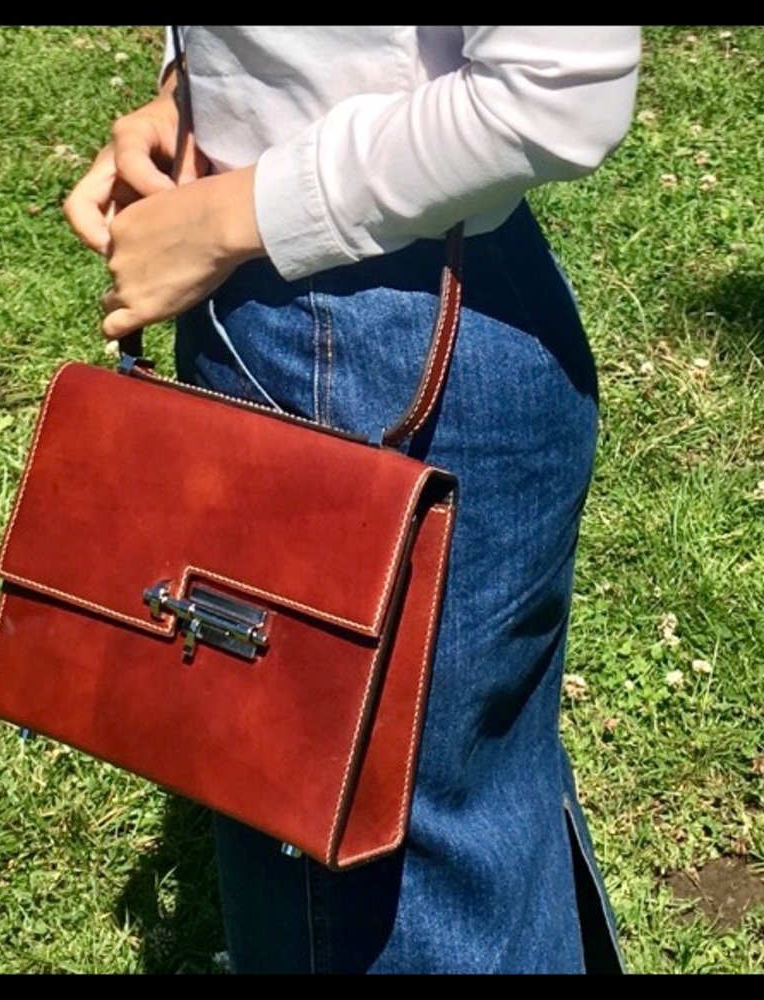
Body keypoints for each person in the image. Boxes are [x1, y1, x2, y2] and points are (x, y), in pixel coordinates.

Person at [64, 26, 642, 975]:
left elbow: (556, 89)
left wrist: (234, 211)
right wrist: (195, 94)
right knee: (449, 823)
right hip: (340, 298)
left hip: (370, 331)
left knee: (383, 868)